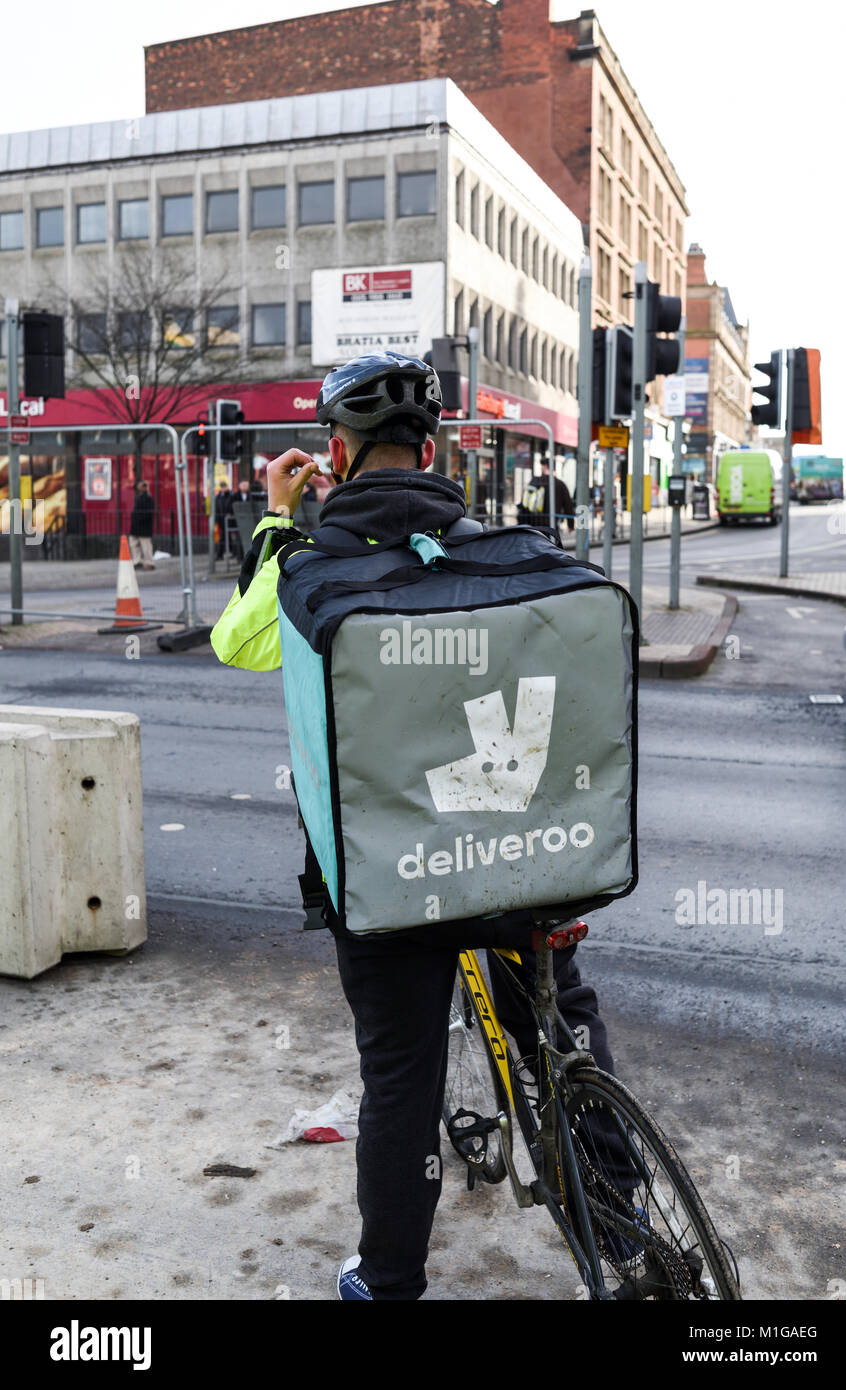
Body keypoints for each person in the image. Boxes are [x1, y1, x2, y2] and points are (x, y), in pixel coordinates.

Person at [210, 352, 626, 1301]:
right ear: (434, 449)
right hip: (524, 856)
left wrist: (278, 516)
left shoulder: (312, 573)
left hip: (391, 873)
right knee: (561, 1022)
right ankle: (627, 1216)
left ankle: (389, 1279)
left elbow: (238, 644)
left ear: (332, 454)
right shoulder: (511, 554)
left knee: (401, 1078)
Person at [517, 460, 575, 534]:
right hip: (551, 524)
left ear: (545, 467)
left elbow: (526, 500)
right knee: (550, 544)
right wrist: (571, 524)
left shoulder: (534, 481)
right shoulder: (560, 484)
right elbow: (568, 505)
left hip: (533, 523)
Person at [128, 479, 155, 570]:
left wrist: (139, 519)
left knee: (146, 545)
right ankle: (137, 561)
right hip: (137, 525)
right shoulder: (139, 497)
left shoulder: (148, 497)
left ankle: (149, 562)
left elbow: (148, 512)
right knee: (134, 543)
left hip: (143, 525)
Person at [213, 479, 234, 559]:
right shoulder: (218, 497)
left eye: (224, 486)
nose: (223, 488)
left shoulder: (231, 495)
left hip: (228, 520)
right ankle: (233, 552)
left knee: (223, 537)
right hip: (221, 520)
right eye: (222, 487)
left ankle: (219, 554)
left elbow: (232, 506)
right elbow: (217, 508)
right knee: (227, 537)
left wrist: (230, 514)